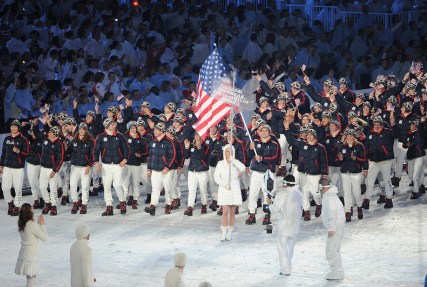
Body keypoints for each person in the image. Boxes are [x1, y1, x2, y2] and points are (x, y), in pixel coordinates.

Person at [266, 174, 302, 276]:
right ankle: (287, 267)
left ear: (285, 183)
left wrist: (269, 204)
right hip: (295, 224)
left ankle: (285, 269)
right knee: (290, 248)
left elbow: (275, 208)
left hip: (284, 223)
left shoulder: (282, 194)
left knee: (282, 247)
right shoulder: (299, 193)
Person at [214, 144, 246, 241]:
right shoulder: (220, 163)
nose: (228, 153)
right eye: (227, 151)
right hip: (224, 188)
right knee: (225, 211)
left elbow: (243, 169)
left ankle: (230, 232)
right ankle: (223, 232)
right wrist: (224, 185)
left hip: (234, 188)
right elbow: (216, 177)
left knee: (232, 212)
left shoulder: (235, 162)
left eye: (230, 151)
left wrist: (234, 161)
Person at [0, 119, 30, 215]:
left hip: (18, 168)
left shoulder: (23, 139)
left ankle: (17, 206)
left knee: (18, 188)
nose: (12, 128)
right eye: (11, 126)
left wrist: (18, 151)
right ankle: (10, 203)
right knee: (5, 187)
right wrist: (1, 165)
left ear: (18, 128)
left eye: (15, 126)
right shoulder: (7, 139)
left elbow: (26, 153)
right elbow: (3, 154)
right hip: (7, 167)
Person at [15, 203, 48, 287]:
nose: (33, 210)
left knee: (30, 279)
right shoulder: (32, 225)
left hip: (24, 253)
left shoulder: (21, 224)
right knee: (31, 280)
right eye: (32, 209)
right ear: (29, 212)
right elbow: (45, 238)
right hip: (31, 255)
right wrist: (42, 224)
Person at [319, 178, 345, 280]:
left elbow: (332, 212)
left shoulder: (329, 197)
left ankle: (337, 272)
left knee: (331, 250)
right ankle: (338, 271)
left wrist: (331, 228)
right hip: (337, 225)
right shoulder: (330, 196)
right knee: (334, 249)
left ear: (322, 187)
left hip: (335, 226)